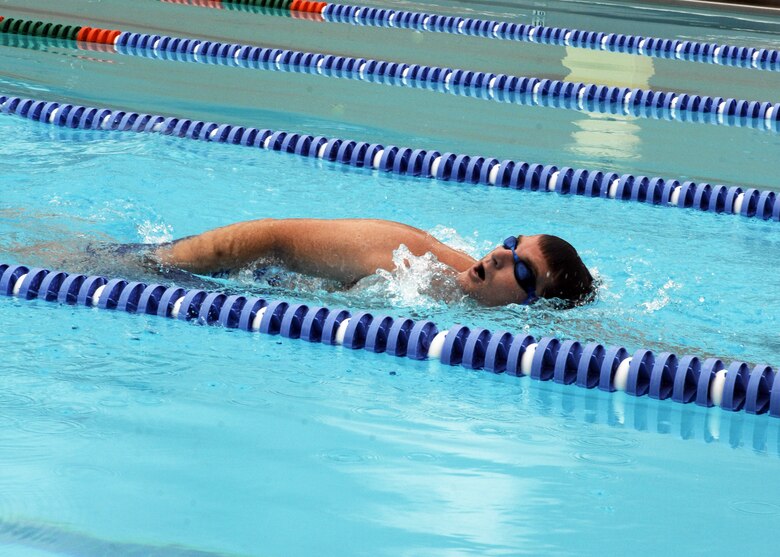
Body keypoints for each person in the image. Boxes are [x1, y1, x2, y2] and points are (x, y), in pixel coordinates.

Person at [148, 218, 594, 307]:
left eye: (522, 269)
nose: (499, 254)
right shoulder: (402, 256)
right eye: (512, 243)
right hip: (190, 273)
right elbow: (271, 237)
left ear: (536, 307)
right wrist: (157, 264)